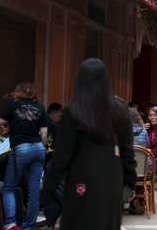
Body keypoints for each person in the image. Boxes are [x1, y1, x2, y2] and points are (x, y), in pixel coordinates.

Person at [43, 58, 137, 230]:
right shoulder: (120, 110)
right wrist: (130, 183)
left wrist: (48, 190)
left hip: (81, 183)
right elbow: (127, 151)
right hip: (112, 182)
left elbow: (61, 158)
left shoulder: (73, 112)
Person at [0, 83, 47, 230]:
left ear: (18, 91)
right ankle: (29, 225)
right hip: (38, 147)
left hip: (21, 148)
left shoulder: (12, 103)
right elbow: (44, 132)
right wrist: (43, 148)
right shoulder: (40, 106)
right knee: (34, 192)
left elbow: (0, 122)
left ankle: (10, 223)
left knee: (9, 187)